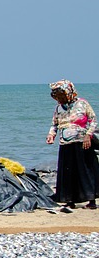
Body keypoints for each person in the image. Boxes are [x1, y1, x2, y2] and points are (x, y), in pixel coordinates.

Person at [46, 79, 98, 211]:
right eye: (57, 96)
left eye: (62, 95)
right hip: (66, 144)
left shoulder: (82, 104)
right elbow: (55, 124)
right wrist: (51, 135)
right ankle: (69, 201)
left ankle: (91, 200)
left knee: (85, 171)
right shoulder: (58, 108)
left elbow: (93, 120)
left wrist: (88, 135)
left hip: (83, 143)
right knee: (68, 173)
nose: (60, 98)